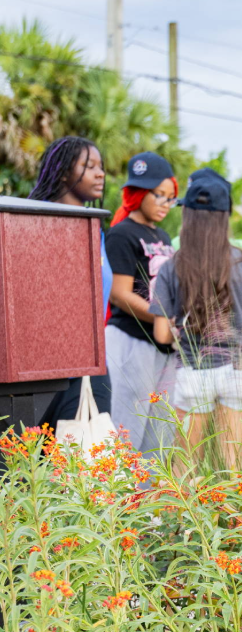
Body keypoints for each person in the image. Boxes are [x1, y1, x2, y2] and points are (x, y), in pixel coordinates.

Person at [150, 169, 242, 468]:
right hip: (240, 368)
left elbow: (161, 335)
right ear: (225, 217)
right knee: (232, 463)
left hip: (195, 368)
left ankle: (184, 500)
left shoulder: (172, 266)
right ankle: (230, 501)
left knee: (186, 462)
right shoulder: (240, 260)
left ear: (187, 216)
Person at [28, 136, 113, 427]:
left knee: (86, 448)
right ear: (64, 172)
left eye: (101, 166)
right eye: (89, 166)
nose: (100, 174)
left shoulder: (95, 229)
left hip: (92, 364)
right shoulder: (33, 224)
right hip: (45, 366)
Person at [104, 151, 179, 455]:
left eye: (170, 197)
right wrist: (164, 318)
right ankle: (117, 487)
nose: (165, 203)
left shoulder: (164, 236)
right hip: (131, 341)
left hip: (164, 344)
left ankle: (150, 488)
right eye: (158, 194)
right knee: (126, 430)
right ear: (138, 193)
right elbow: (119, 294)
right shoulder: (121, 234)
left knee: (160, 438)